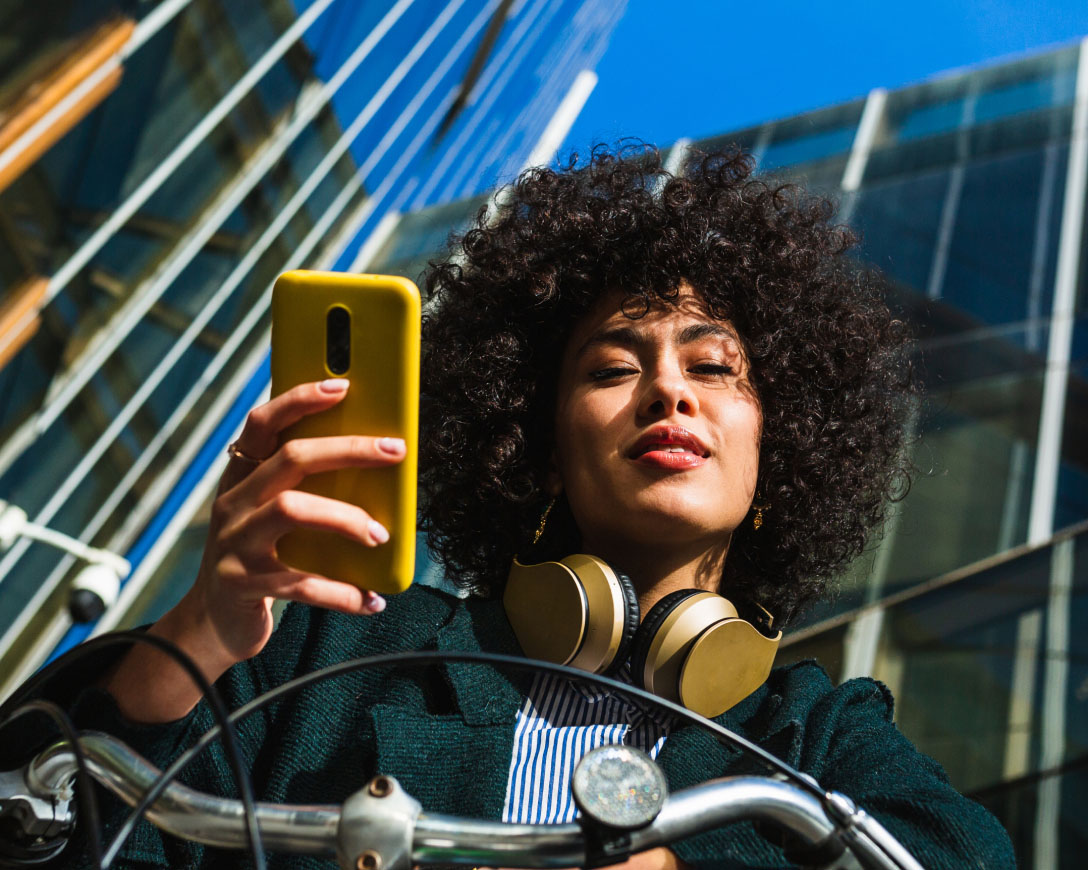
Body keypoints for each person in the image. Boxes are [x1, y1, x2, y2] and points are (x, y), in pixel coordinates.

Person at [14, 144, 1013, 869]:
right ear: (537, 454)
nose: (669, 391)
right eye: (612, 367)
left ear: (779, 456)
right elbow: (40, 820)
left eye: (712, 365)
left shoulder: (814, 736)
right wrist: (199, 633)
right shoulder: (331, 653)